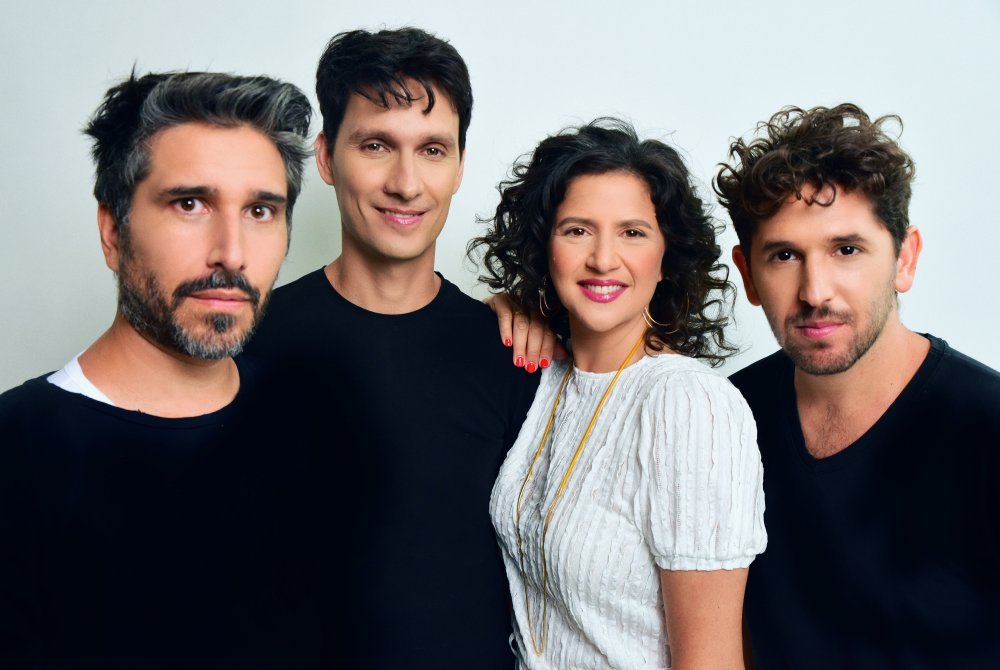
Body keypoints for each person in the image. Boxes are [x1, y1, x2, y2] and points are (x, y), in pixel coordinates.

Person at [0, 71, 324, 668]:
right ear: (112, 232)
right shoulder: (16, 452)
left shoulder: (309, 420)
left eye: (260, 210)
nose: (231, 253)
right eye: (190, 204)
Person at [244, 28, 538, 668]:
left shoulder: (514, 351)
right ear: (326, 158)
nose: (406, 183)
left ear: (459, 166)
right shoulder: (248, 342)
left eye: (432, 150)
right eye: (376, 145)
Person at [471, 118, 767, 670]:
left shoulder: (689, 405)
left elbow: (710, 660)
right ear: (545, 247)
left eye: (632, 232)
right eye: (577, 230)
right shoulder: (542, 380)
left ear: (667, 256)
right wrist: (493, 311)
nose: (603, 258)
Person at [715, 103, 1000, 668]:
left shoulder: (986, 426)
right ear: (748, 274)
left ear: (904, 258)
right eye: (784, 255)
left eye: (846, 250)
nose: (815, 291)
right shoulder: (725, 418)